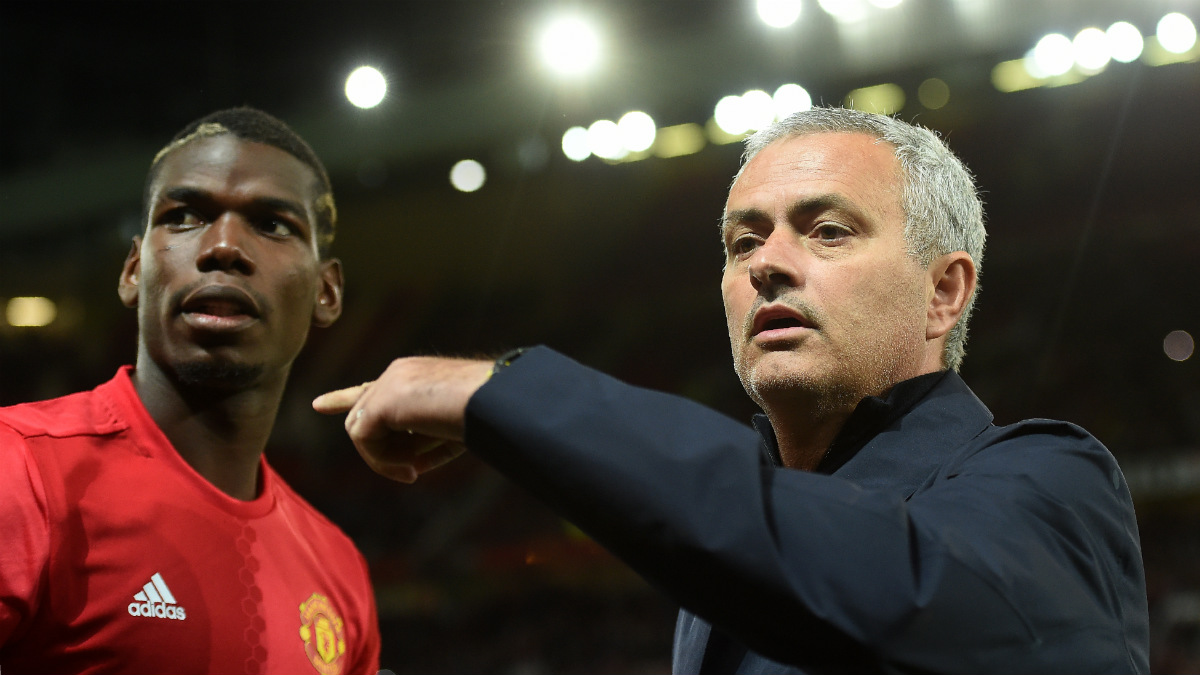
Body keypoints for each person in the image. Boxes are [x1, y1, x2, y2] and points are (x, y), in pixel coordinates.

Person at [313, 107, 1149, 673]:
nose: (766, 262)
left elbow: (887, 580)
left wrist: (504, 395)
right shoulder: (737, 542)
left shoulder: (1057, 484)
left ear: (945, 292)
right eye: (742, 240)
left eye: (827, 230)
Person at [0, 107, 381, 675]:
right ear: (133, 270)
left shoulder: (340, 573)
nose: (223, 247)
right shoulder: (21, 469)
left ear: (327, 291)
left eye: (273, 224)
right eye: (184, 216)